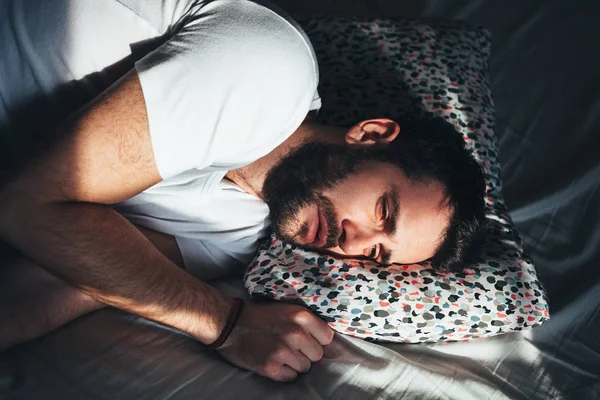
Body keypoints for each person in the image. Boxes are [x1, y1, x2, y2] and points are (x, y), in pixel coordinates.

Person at [0, 0, 485, 382]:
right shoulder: (273, 72)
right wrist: (225, 324)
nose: (353, 246)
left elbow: (61, 277)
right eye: (384, 210)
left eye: (378, 255)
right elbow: (27, 208)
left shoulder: (233, 239)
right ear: (372, 136)